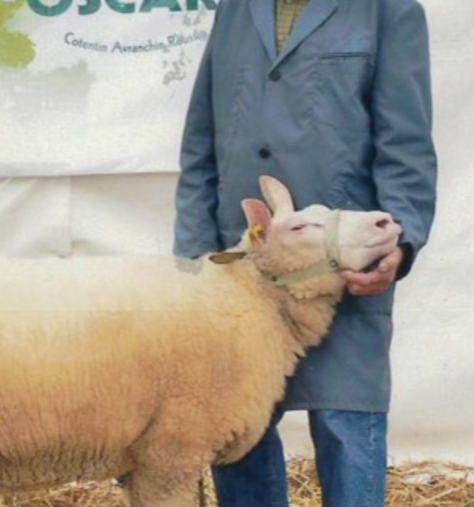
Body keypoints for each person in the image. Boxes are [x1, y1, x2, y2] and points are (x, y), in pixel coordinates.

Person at [173, 0, 437, 505]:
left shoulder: (390, 11)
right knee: (240, 435)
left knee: (347, 426)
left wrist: (401, 243)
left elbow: (406, 146)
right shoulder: (235, 9)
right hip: (249, 272)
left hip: (344, 265)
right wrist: (191, 256)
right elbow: (202, 140)